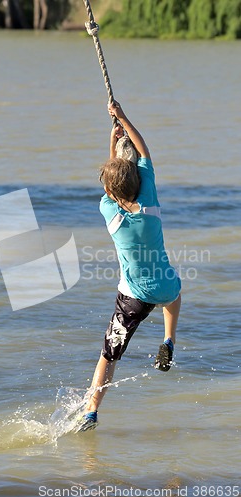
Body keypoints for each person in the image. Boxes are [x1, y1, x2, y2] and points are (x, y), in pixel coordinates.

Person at [79, 100, 181, 432]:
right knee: (174, 294)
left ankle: (92, 412)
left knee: (109, 356)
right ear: (139, 174)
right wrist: (123, 118)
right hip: (165, 283)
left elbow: (110, 183)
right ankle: (168, 340)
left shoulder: (109, 213)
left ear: (109, 189)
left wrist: (112, 138)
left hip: (133, 297)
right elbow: (144, 152)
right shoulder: (149, 198)